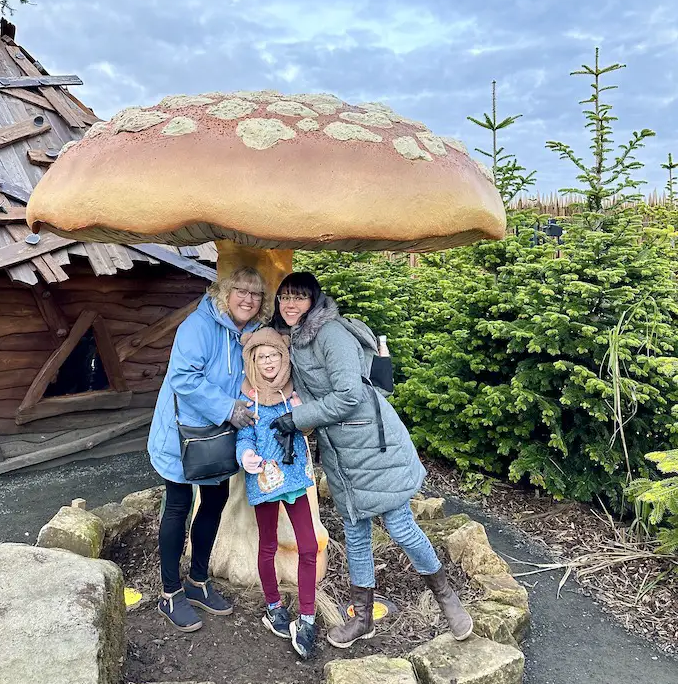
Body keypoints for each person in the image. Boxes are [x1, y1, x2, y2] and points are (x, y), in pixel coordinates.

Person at [271, 272, 473, 648]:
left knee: (401, 527)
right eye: (285, 297)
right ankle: (362, 618)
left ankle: (447, 598)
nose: (290, 304)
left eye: (299, 297)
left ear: (313, 301)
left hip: (371, 445)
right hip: (340, 451)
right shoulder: (295, 340)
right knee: (356, 534)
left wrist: (296, 420)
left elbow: (349, 394)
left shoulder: (330, 334)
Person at [148, 266, 271, 632]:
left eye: (255, 294)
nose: (247, 299)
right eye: (240, 291)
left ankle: (198, 581)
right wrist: (228, 408)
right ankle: (170, 593)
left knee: (213, 503)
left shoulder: (250, 333)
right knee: (178, 507)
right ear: (224, 293)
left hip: (217, 438)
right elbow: (184, 379)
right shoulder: (197, 327)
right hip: (182, 435)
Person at [235, 328, 319, 659]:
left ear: (284, 359)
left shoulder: (293, 393)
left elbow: (309, 428)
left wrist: (302, 412)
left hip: (294, 478)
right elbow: (244, 437)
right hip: (265, 481)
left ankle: (308, 616)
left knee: (308, 544)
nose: (269, 362)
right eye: (261, 357)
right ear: (253, 362)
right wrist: (246, 456)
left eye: (274, 356)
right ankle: (273, 605)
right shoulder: (248, 398)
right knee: (268, 544)